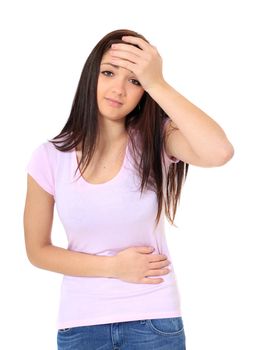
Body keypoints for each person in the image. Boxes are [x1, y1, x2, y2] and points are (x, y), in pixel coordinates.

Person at [23, 28, 234, 350]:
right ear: (91, 76)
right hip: (81, 325)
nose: (119, 89)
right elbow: (38, 251)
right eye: (108, 73)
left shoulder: (158, 139)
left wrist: (157, 82)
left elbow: (219, 152)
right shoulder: (50, 157)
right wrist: (113, 267)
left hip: (153, 319)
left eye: (134, 80)